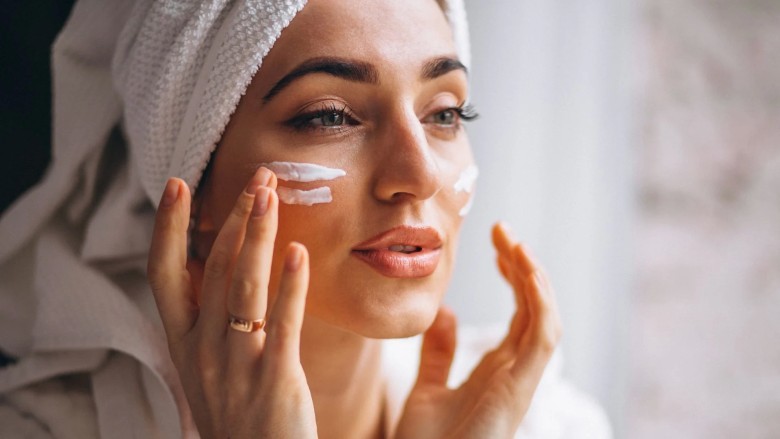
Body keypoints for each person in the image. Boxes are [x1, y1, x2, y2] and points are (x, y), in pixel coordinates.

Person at [0, 0, 612, 437]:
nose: (420, 173)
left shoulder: (546, 423)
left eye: (445, 113)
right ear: (192, 190)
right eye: (329, 116)